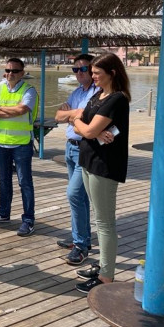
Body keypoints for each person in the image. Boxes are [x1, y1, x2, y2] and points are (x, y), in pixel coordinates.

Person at [70, 53, 130, 294]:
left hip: (104, 164)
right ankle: (104, 266)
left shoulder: (117, 99)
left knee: (104, 223)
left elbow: (86, 128)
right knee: (98, 217)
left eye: (97, 73)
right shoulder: (98, 95)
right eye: (92, 72)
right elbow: (77, 120)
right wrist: (87, 128)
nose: (91, 76)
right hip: (88, 160)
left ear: (112, 73)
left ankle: (106, 276)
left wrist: (89, 131)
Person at [0, 57, 39, 237]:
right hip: (1, 143)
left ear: (22, 73)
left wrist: (1, 109)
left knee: (25, 182)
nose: (10, 74)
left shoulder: (29, 90)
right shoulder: (0, 87)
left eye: (15, 71)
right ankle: (3, 213)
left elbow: (22, 110)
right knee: (4, 180)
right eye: (8, 70)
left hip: (22, 144)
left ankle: (28, 220)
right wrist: (8, 110)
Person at [54, 54, 97, 265]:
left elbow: (85, 116)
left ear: (93, 69)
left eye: (83, 69)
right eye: (75, 70)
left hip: (86, 149)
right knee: (80, 197)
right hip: (70, 148)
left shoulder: (99, 93)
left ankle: (81, 245)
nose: (79, 73)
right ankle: (82, 239)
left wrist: (71, 114)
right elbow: (58, 116)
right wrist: (74, 114)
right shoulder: (76, 92)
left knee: (73, 193)